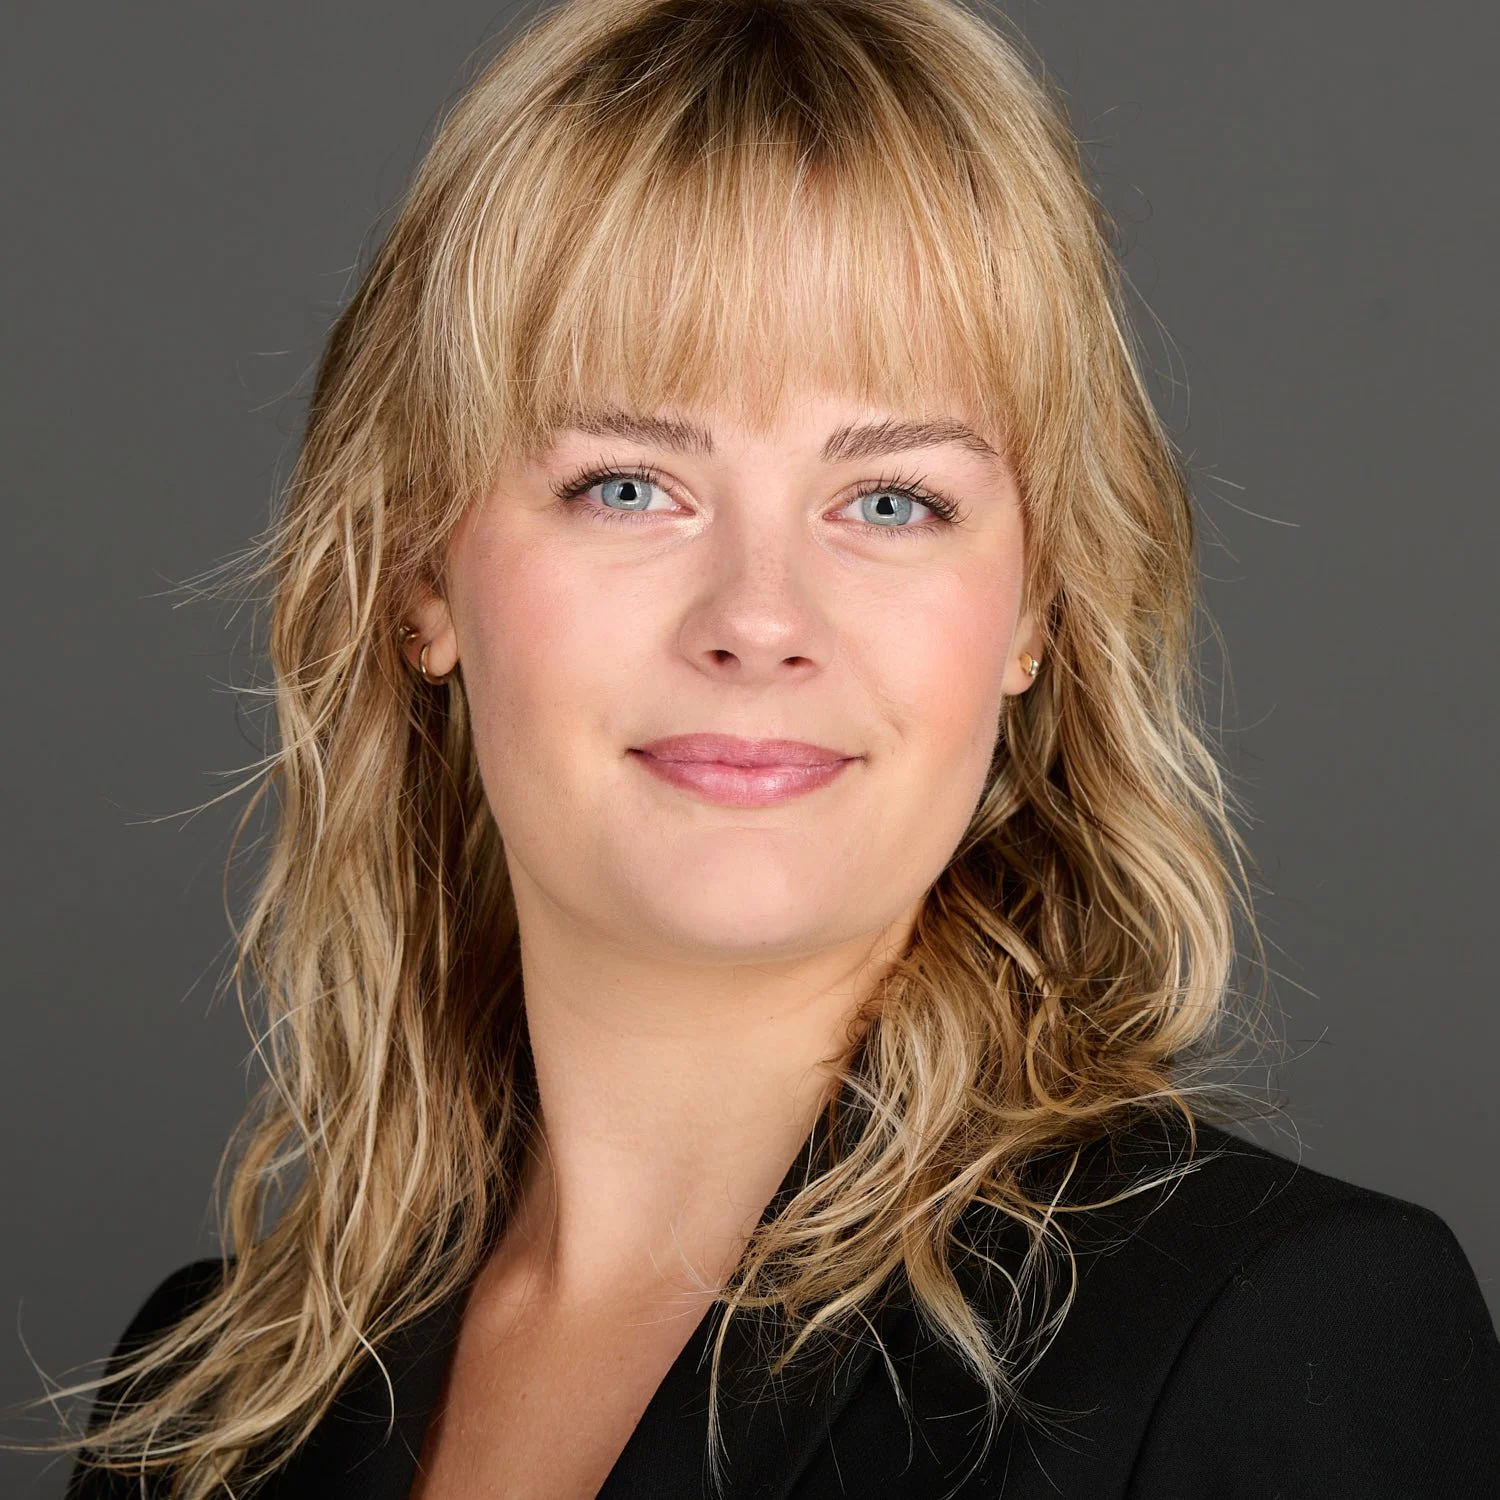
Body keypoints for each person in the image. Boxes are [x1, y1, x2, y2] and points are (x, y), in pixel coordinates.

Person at [50, 1, 1498, 1496]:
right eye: (627, 485)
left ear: (1035, 611)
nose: (757, 618)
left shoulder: (1277, 1333)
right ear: (422, 573)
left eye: (890, 501)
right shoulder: (205, 1413)